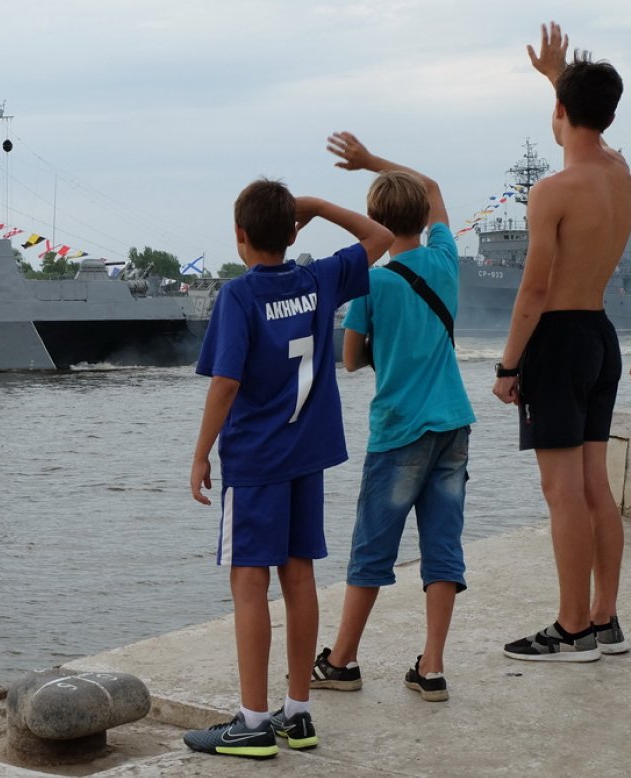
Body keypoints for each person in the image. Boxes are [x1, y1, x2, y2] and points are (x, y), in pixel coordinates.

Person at [182, 178, 392, 758]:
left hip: (256, 461)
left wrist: (201, 453)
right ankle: (297, 714)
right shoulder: (318, 278)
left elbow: (225, 383)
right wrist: (320, 208)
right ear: (291, 230)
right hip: (309, 456)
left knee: (249, 582)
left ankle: (251, 721)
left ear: (241, 236)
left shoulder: (238, 297)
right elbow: (380, 235)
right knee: (299, 578)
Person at [311, 134, 476, 703]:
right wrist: (373, 161)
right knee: (443, 547)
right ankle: (431, 668)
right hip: (454, 422)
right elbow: (431, 186)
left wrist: (382, 344)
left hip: (400, 429)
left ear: (376, 219)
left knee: (372, 550)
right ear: (424, 217)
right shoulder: (446, 259)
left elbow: (352, 359)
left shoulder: (371, 282)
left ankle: (342, 661)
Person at [493, 22, 631, 661]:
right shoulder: (618, 170)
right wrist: (560, 80)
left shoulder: (551, 191)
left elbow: (534, 291)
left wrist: (507, 364)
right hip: (603, 337)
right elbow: (585, 126)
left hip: (558, 339)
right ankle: (604, 619)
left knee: (562, 492)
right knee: (596, 485)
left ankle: (571, 628)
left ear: (560, 111)